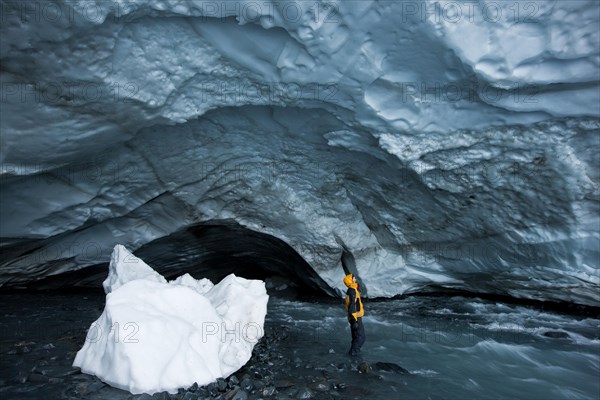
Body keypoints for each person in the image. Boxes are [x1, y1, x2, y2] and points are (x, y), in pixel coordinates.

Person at [343, 273, 365, 356]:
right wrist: (355, 320)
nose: (355, 278)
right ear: (351, 280)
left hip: (355, 317)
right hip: (355, 317)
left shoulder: (353, 289)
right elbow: (352, 306)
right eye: (353, 278)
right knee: (360, 338)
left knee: (356, 337)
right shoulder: (352, 291)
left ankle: (353, 354)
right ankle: (353, 355)